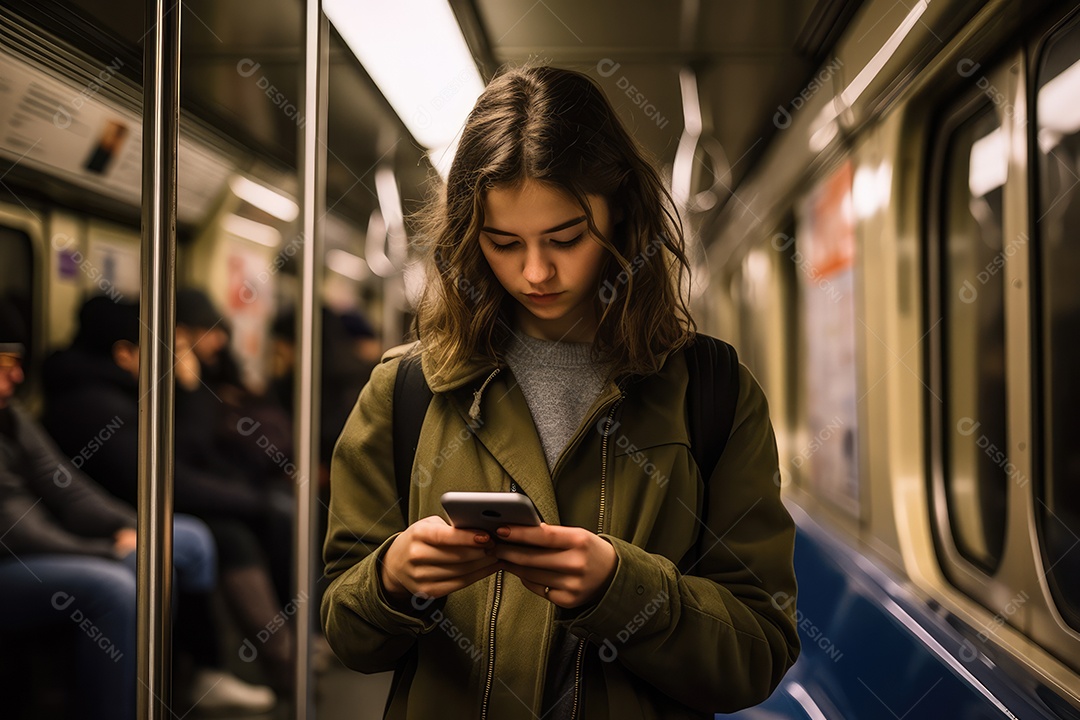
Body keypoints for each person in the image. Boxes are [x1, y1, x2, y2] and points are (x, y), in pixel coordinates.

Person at [321, 66, 800, 719]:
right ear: (470, 236)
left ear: (621, 215)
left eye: (566, 238)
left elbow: (759, 651)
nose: (536, 272)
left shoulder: (710, 392)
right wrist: (390, 580)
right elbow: (347, 633)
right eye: (503, 243)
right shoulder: (405, 391)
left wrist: (622, 590)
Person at [0, 298, 273, 718]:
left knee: (182, 540)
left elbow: (71, 492)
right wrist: (108, 549)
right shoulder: (93, 405)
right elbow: (15, 528)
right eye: (4, 365)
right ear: (123, 352)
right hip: (17, 553)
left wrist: (139, 529)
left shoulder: (14, 416)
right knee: (119, 584)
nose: (17, 377)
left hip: (61, 532)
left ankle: (181, 678)